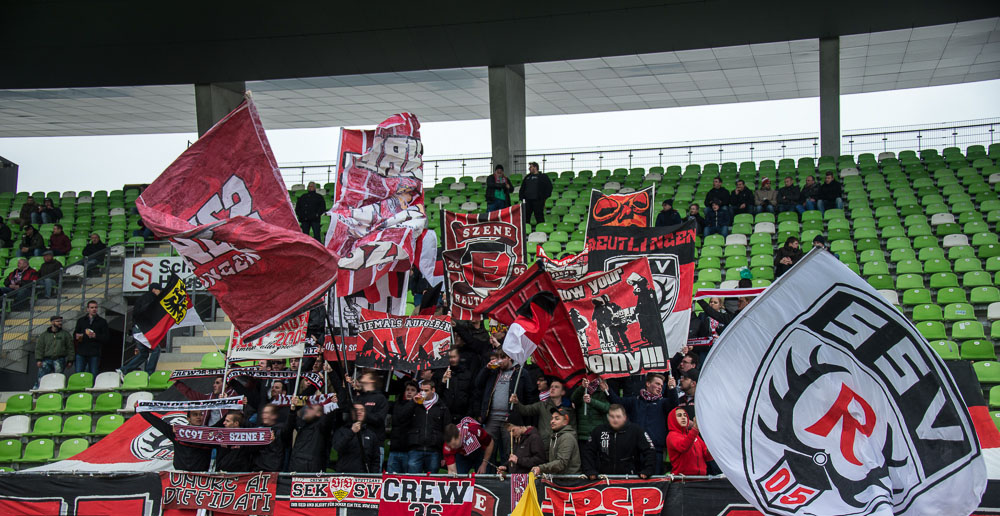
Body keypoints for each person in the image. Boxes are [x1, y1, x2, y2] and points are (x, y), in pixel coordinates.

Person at [474, 349, 536, 471]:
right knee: (488, 449)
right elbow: (478, 384)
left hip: (511, 418)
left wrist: (522, 412)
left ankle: (507, 478)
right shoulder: (493, 371)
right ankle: (489, 477)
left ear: (509, 358)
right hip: (492, 417)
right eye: (497, 358)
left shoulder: (520, 372)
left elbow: (530, 396)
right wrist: (486, 368)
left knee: (510, 450)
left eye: (502, 358)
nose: (499, 361)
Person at [605, 373, 676, 475]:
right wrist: (606, 389)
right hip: (635, 449)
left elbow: (674, 406)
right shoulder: (635, 401)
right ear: (647, 383)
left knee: (654, 482)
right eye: (657, 384)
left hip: (655, 450)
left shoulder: (663, 402)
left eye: (661, 385)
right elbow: (616, 402)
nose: (660, 387)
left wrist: (672, 389)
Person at [581, 404, 656, 479]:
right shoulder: (598, 431)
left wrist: (648, 470)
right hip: (604, 479)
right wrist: (590, 470)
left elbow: (650, 450)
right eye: (612, 416)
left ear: (625, 417)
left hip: (630, 478)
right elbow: (588, 451)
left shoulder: (636, 431)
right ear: (608, 417)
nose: (615, 420)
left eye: (618, 417)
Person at [139, 411, 213, 471]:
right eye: (195, 415)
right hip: (180, 476)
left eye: (201, 415)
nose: (198, 417)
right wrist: (141, 410)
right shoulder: (177, 432)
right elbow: (158, 423)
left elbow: (222, 427)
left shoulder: (210, 435)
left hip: (201, 477)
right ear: (188, 419)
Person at [511, 378, 575, 446]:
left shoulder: (568, 409)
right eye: (551, 387)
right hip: (545, 443)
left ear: (563, 392)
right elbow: (525, 410)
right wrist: (517, 403)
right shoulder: (542, 405)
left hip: (562, 444)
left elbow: (573, 429)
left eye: (556, 387)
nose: (552, 389)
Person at [407, 379, 451, 473]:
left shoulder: (442, 407)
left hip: (434, 450)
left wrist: (444, 455)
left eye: (426, 390)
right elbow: (401, 418)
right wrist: (412, 403)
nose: (423, 393)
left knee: (431, 481)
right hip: (415, 448)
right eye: (421, 390)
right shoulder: (414, 404)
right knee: (412, 480)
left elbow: (447, 431)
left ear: (433, 390)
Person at [120, 283, 163, 375]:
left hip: (137, 328)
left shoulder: (141, 298)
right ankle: (149, 373)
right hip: (142, 329)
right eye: (159, 290)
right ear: (154, 290)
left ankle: (124, 370)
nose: (160, 292)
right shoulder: (152, 299)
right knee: (156, 349)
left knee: (143, 354)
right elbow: (147, 312)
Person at [348, 371, 389, 464]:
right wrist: (350, 388)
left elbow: (379, 419)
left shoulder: (380, 398)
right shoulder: (358, 397)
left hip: (375, 444)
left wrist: (363, 414)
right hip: (356, 443)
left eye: (366, 374)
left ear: (372, 380)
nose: (363, 375)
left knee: (373, 477)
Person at [288, 397, 338, 472]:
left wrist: (332, 405)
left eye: (310, 408)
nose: (306, 410)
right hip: (295, 466)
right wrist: (292, 410)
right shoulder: (301, 425)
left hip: (312, 469)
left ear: (318, 413)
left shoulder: (322, 428)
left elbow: (328, 420)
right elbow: (289, 425)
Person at [332, 403, 381, 473]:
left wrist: (373, 476)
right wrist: (352, 431)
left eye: (362, 410)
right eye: (356, 410)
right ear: (351, 412)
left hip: (364, 477)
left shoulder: (371, 434)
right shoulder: (342, 431)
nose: (359, 412)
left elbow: (375, 459)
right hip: (345, 475)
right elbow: (337, 447)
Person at [531, 407, 581, 475]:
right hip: (559, 479)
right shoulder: (554, 436)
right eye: (552, 418)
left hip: (569, 481)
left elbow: (561, 463)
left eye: (557, 419)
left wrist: (541, 468)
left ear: (565, 422)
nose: (552, 421)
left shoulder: (567, 437)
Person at [666, 407, 712, 475]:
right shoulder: (672, 436)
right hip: (683, 481)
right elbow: (683, 447)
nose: (683, 417)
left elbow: (707, 457)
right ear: (672, 419)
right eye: (679, 415)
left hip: (701, 479)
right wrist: (695, 428)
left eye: (685, 415)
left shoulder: (694, 435)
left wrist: (711, 448)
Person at [34, 315, 74, 389]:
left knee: (58, 378)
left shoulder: (65, 334)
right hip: (46, 359)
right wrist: (39, 359)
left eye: (61, 321)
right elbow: (39, 348)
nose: (60, 323)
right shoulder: (44, 335)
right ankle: (38, 391)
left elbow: (70, 348)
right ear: (52, 322)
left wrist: (70, 360)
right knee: (41, 377)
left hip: (60, 359)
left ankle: (57, 392)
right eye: (58, 321)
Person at [386, 381, 418, 473]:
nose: (409, 392)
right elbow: (400, 417)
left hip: (410, 451)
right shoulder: (397, 404)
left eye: (412, 390)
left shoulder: (419, 407)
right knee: (391, 480)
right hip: (394, 449)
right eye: (407, 390)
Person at [440, 347, 479, 422]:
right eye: (450, 357)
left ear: (459, 356)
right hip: (445, 415)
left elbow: (472, 393)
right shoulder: (441, 373)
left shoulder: (467, 373)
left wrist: (470, 414)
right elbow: (437, 393)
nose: (452, 360)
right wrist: (442, 382)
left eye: (454, 357)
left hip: (463, 415)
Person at [571, 378, 610, 451]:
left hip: (599, 435)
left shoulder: (603, 389)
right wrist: (582, 387)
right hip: (583, 435)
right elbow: (574, 399)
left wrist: (591, 401)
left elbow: (606, 408)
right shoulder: (581, 389)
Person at [252, 403, 293, 472]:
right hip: (257, 470)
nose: (264, 416)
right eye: (263, 413)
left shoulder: (280, 430)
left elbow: (289, 426)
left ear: (274, 416)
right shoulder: (258, 430)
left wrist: (292, 411)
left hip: (273, 471)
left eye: (267, 413)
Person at [74, 300, 108, 375]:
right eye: (92, 307)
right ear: (87, 309)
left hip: (94, 352)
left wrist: (96, 336)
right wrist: (78, 337)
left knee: (93, 374)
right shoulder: (81, 321)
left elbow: (106, 337)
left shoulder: (102, 322)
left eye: (96, 307)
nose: (94, 309)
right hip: (81, 351)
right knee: (78, 373)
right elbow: (75, 334)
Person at [520, 161, 552, 226]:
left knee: (539, 215)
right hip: (528, 201)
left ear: (535, 167)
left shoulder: (543, 176)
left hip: (538, 200)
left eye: (531, 167)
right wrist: (522, 197)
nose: (529, 168)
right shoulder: (527, 177)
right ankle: (526, 230)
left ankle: (541, 230)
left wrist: (544, 197)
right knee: (526, 216)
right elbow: (522, 188)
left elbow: (549, 187)